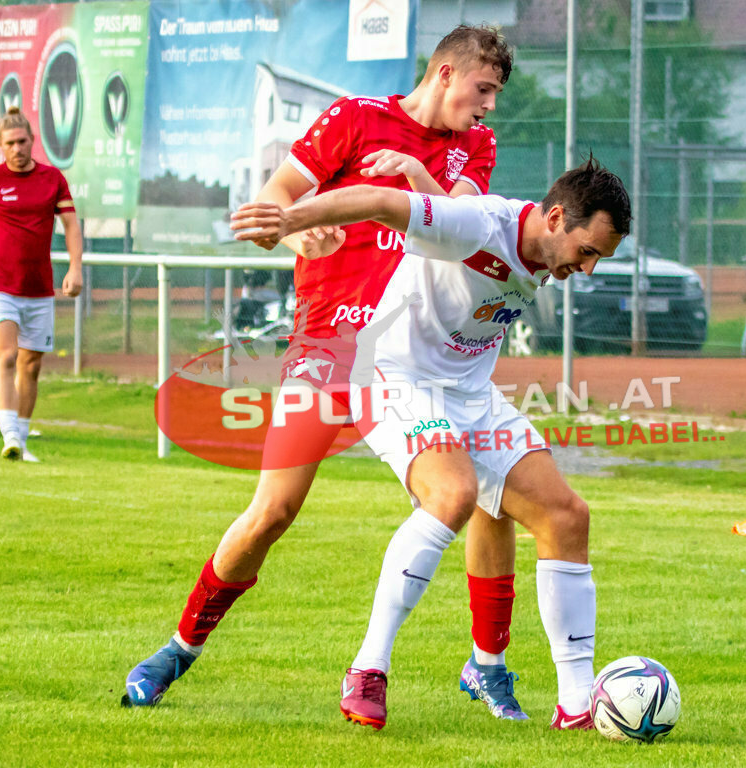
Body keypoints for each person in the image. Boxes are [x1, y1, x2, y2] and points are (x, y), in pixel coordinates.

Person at [123, 26, 528, 725]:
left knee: (487, 492)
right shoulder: (353, 117)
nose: (488, 105)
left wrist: (410, 173)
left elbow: (455, 226)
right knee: (273, 511)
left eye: (495, 93)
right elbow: (277, 198)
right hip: (328, 345)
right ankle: (179, 647)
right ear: (444, 72)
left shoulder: (476, 146)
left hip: (411, 360)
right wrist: (293, 228)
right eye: (482, 88)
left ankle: (485, 666)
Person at [231, 155, 631, 730]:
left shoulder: (539, 247)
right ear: (557, 217)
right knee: (453, 494)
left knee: (567, 516)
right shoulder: (481, 224)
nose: (588, 269)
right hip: (392, 377)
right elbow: (375, 199)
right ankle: (367, 669)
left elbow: (435, 212)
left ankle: (576, 708)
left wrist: (422, 176)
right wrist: (288, 219)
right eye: (587, 251)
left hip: (468, 394)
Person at [0, 106, 83, 462]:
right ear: (0, 146)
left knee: (31, 365)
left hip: (40, 289)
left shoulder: (52, 179)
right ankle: (10, 434)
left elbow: (72, 226)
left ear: (32, 141)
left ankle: (23, 441)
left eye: (23, 141)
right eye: (11, 143)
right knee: (7, 356)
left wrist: (75, 267)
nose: (18, 148)